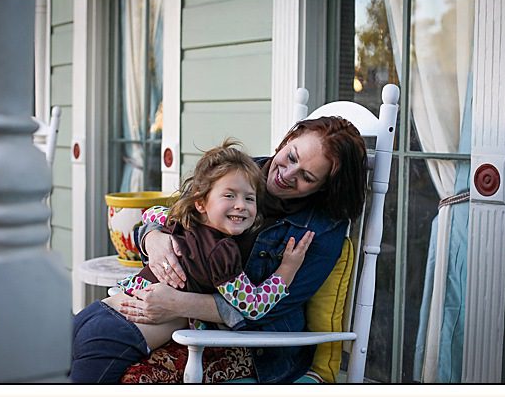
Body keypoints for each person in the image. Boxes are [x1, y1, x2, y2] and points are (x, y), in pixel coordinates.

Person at [112, 116, 368, 383]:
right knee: (103, 348)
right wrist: (152, 238)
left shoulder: (322, 231)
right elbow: (180, 212)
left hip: (255, 346)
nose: (287, 174)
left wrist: (177, 304)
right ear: (288, 140)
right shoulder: (242, 170)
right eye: (291, 157)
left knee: (136, 378)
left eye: (307, 177)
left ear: (323, 187)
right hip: (188, 322)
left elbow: (268, 310)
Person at [70, 140, 311, 382]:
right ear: (200, 202)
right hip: (122, 334)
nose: (241, 205)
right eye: (229, 195)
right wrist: (286, 271)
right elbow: (252, 306)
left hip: (97, 311)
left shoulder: (182, 222)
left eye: (250, 198)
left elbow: (151, 213)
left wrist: (155, 233)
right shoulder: (222, 252)